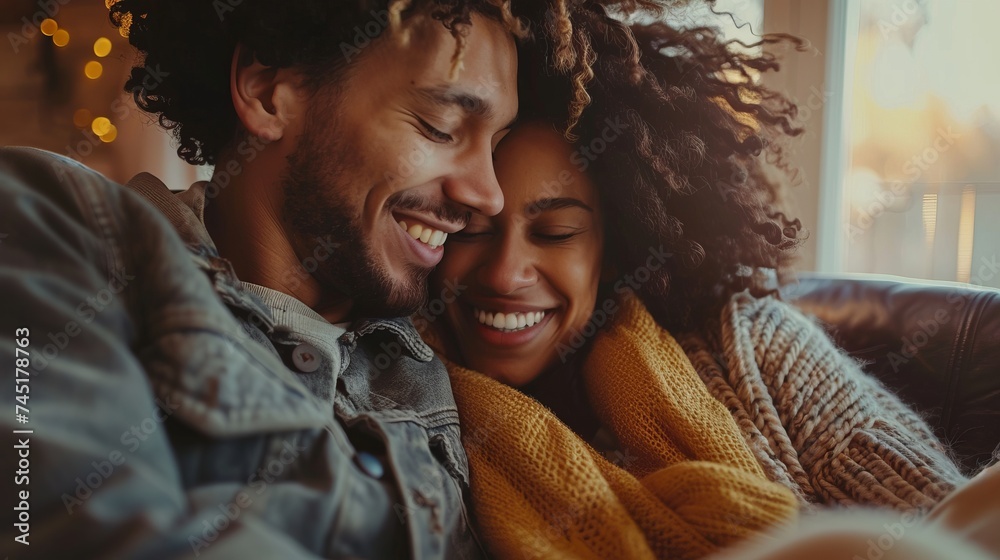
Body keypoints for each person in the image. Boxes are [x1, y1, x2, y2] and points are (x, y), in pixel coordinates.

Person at [423, 1, 976, 558]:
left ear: (614, 250)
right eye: (471, 230)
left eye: (557, 232)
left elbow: (947, 526)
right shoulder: (400, 407)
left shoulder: (748, 342)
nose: (504, 272)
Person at [0, 0, 535, 557]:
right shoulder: (67, 228)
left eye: (496, 145)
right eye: (441, 126)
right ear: (266, 92)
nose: (488, 195)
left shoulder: (443, 347)